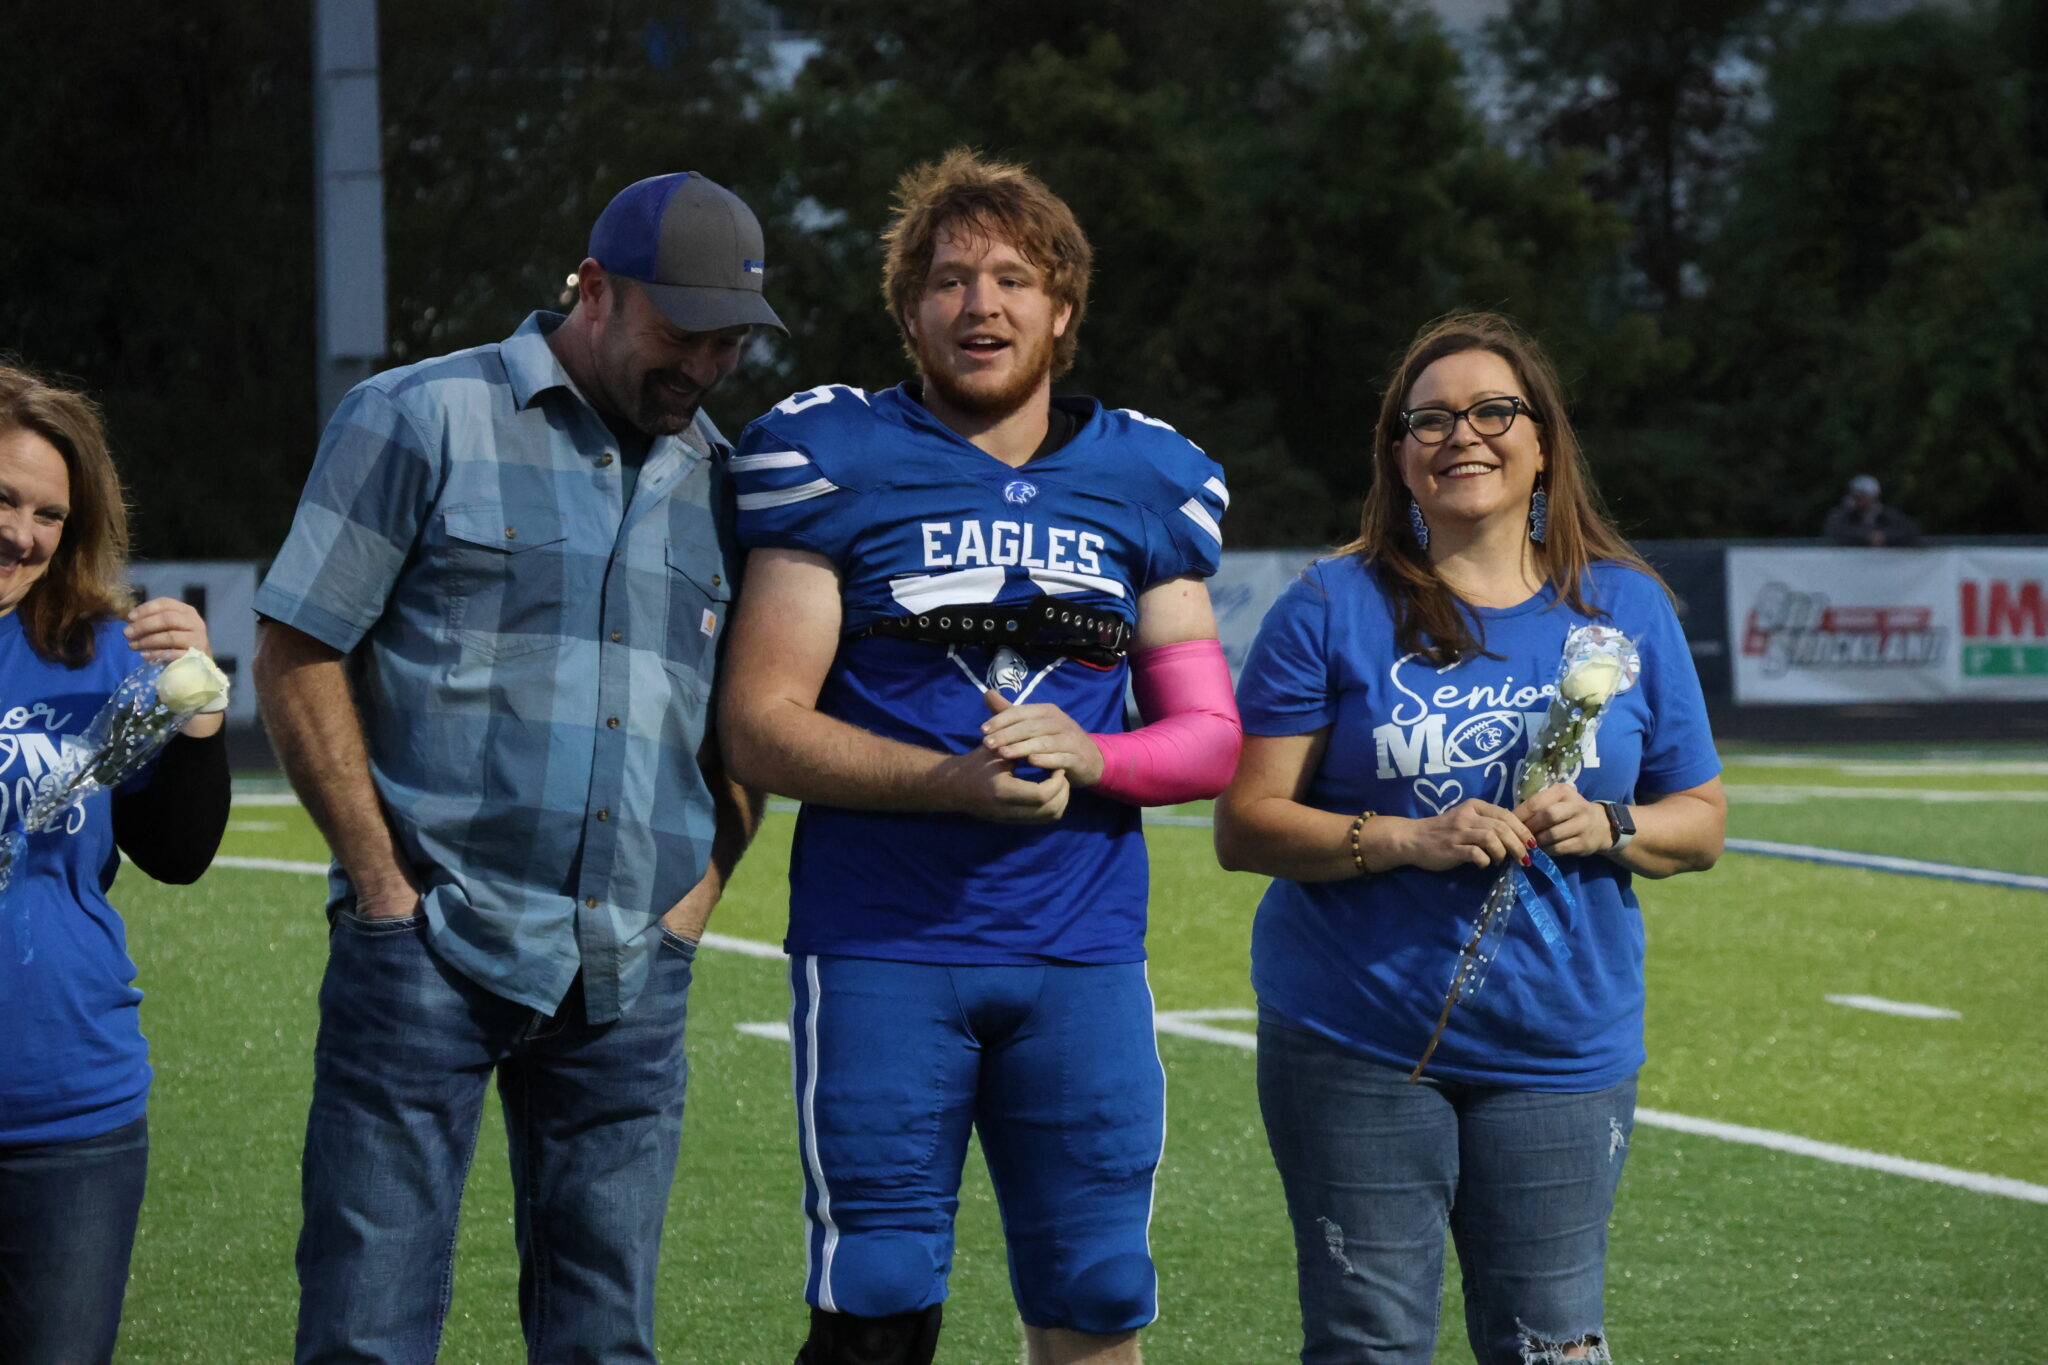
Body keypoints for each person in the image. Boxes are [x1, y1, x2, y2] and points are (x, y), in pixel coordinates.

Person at [720, 149, 1242, 1365]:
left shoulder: (1145, 479)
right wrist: (944, 782)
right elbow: (759, 722)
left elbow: (1209, 738)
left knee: (1099, 1285)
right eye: (948, 279)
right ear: (908, 312)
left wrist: (1094, 757)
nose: (980, 303)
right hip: (883, 944)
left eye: (1014, 278)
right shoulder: (833, 457)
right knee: (876, 1290)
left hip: (1081, 952)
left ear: (1062, 309)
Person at [252, 172, 776, 1363]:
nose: (702, 366)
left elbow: (745, 722)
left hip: (630, 973)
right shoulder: (418, 415)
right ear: (593, 289)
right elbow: (296, 648)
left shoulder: (728, 482)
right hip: (425, 948)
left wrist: (690, 911)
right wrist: (382, 890)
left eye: (729, 342)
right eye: (680, 332)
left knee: (605, 1340)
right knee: (366, 1333)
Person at [1213, 312, 1726, 1365]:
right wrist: (1408, 839)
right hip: (1356, 1039)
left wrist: (1609, 823)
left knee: (1553, 1346)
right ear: (1398, 455)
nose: (1462, 437)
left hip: (1561, 1046)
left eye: (1493, 412)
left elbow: (1702, 819)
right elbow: (1246, 822)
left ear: (1542, 443)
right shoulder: (1329, 605)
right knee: (1368, 1344)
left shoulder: (1625, 608)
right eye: (1430, 419)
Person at [0, 364, 230, 1365]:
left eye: (50, 513)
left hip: (68, 1112)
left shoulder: (98, 652)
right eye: (4, 498)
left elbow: (175, 854)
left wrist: (199, 718)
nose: (23, 534)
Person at [1822, 473, 1920, 546]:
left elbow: (1910, 529)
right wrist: (1866, 536)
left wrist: (1885, 536)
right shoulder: (1841, 515)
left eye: (1864, 496)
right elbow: (1833, 531)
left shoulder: (1884, 513)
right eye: (1856, 496)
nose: (1860, 500)